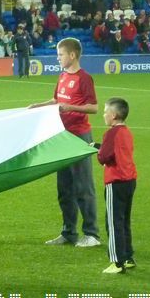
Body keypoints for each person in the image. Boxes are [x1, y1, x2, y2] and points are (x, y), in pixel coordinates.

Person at [30, 38, 100, 247]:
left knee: (83, 187)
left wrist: (70, 108)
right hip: (61, 136)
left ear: (72, 55)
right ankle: (68, 232)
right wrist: (39, 106)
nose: (57, 57)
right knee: (64, 189)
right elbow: (56, 101)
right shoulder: (62, 76)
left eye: (60, 54)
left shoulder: (84, 78)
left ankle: (92, 234)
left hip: (78, 137)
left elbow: (94, 107)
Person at [96, 98, 137, 274]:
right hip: (129, 180)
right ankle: (127, 257)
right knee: (124, 221)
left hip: (116, 182)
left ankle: (117, 262)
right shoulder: (126, 132)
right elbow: (116, 152)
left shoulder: (110, 133)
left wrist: (99, 151)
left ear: (113, 115)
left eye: (105, 112)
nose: (104, 115)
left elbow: (103, 157)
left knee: (113, 223)